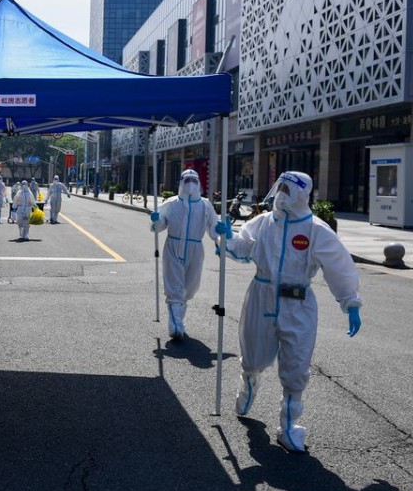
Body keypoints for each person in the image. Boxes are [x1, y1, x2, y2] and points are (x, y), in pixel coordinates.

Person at [217, 171, 362, 453]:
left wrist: (351, 302)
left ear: (301, 193)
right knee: (254, 353)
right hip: (261, 295)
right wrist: (227, 238)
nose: (281, 192)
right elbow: (243, 248)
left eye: (287, 187)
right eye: (279, 186)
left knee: (296, 363)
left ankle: (289, 427)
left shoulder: (315, 229)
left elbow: (339, 265)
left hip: (298, 303)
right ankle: (249, 383)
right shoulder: (262, 222)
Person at [150, 169, 220, 340]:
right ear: (181, 183)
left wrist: (220, 240)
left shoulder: (205, 205)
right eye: (187, 180)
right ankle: (176, 327)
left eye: (193, 180)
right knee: (174, 288)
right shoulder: (171, 203)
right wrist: (156, 220)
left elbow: (214, 227)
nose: (190, 183)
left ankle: (178, 319)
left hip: (195, 250)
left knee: (189, 288)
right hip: (173, 247)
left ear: (198, 183)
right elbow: (159, 227)